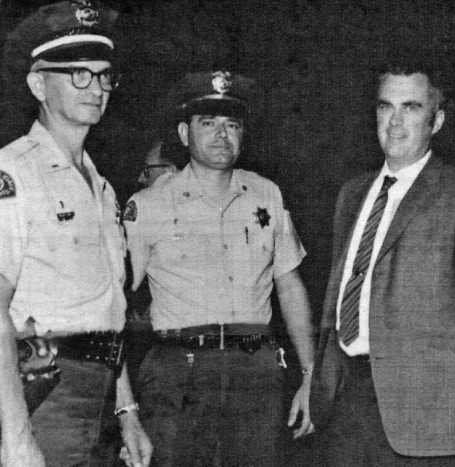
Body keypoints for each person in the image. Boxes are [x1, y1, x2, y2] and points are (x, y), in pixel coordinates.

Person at [309, 63, 455, 467]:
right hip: (347, 402)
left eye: (412, 108)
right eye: (386, 107)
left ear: (436, 121)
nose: (395, 122)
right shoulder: (352, 194)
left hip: (426, 419)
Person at [122, 69, 315, 466]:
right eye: (207, 123)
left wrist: (312, 374)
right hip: (178, 373)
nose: (221, 135)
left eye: (232, 124)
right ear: (183, 134)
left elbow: (290, 285)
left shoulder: (266, 194)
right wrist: (125, 408)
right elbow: (113, 304)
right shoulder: (151, 205)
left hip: (256, 371)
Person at [0, 1, 152, 466]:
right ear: (37, 84)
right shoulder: (13, 174)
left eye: (104, 74)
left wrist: (127, 412)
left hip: (101, 397)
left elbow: (110, 314)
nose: (97, 87)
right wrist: (17, 441)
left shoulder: (100, 186)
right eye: (78, 73)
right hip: (45, 393)